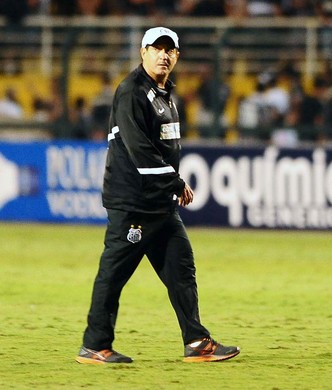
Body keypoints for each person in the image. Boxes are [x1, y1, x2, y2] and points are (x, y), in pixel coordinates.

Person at [75, 27, 240, 364]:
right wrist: (175, 182)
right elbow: (140, 150)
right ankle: (95, 345)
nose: (163, 55)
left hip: (158, 205)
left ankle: (196, 341)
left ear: (177, 56)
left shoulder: (163, 93)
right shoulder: (132, 91)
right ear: (142, 52)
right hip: (134, 202)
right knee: (114, 274)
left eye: (170, 50)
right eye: (157, 48)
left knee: (182, 269)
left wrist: (168, 188)